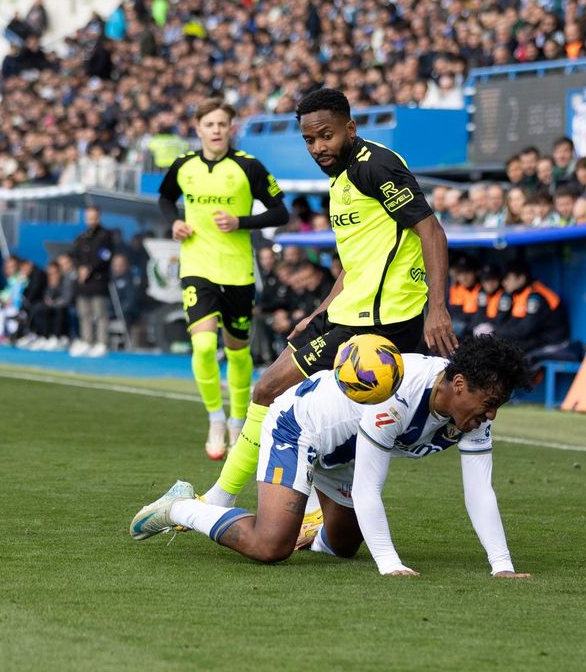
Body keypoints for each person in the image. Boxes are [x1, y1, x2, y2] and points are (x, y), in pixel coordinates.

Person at [195, 88, 456, 512]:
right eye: (310, 140)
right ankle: (317, 512)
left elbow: (431, 230)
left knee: (269, 392)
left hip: (378, 322)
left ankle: (219, 499)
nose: (319, 147)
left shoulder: (378, 167)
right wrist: (317, 313)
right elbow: (355, 265)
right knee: (317, 413)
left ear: (350, 128)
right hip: (347, 312)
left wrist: (437, 308)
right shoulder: (340, 181)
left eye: (327, 136)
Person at [130, 336, 536, 578]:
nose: (492, 415)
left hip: (344, 449)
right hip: (299, 429)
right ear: (460, 385)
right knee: (272, 546)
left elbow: (480, 491)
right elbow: (367, 488)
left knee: (342, 545)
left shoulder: (472, 410)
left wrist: (501, 565)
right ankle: (179, 507)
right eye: (490, 403)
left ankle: (300, 517)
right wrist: (390, 564)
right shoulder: (395, 396)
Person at [156, 98, 289, 457]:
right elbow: (165, 197)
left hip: (237, 270)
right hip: (196, 267)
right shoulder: (183, 166)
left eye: (222, 124)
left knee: (237, 352)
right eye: (209, 124)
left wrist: (241, 222)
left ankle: (237, 420)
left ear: (232, 129)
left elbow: (281, 212)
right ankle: (215, 418)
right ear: (197, 129)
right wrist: (174, 222)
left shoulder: (248, 167)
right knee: (201, 345)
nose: (216, 130)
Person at [69, 206, 119, 357]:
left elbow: (105, 256)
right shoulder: (82, 236)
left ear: (99, 217)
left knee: (100, 313)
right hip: (83, 282)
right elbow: (75, 255)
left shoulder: (105, 235)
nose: (92, 220)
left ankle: (102, 342)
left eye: (94, 217)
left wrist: (89, 268)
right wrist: (79, 269)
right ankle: (87, 340)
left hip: (98, 280)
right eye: (89, 217)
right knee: (84, 313)